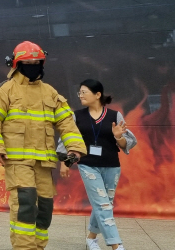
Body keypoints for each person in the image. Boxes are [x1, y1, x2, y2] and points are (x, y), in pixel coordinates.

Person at [0, 41, 87, 249]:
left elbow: (66, 122)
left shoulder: (49, 92)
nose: (32, 66)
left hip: (44, 162)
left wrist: (74, 148)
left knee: (44, 208)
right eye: (27, 62)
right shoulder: (5, 90)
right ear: (16, 64)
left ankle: (38, 247)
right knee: (25, 204)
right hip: (17, 161)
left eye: (36, 62)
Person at [58, 79, 137, 250]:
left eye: (84, 92)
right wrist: (65, 162)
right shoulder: (76, 115)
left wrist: (118, 137)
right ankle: (116, 245)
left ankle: (91, 238)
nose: (80, 95)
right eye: (79, 92)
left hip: (112, 165)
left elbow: (125, 145)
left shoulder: (115, 116)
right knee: (103, 205)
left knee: (105, 203)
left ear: (98, 94)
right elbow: (67, 139)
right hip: (87, 164)